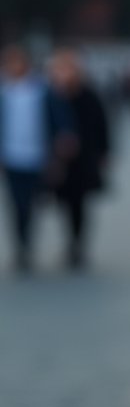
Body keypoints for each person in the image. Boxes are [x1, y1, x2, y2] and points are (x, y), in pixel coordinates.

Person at [47, 50, 111, 269]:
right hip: (60, 160)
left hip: (84, 158)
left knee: (80, 204)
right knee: (63, 204)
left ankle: (78, 245)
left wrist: (104, 152)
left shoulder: (89, 96)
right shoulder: (52, 96)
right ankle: (70, 242)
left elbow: (102, 126)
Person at [0, 45, 57, 274]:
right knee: (16, 205)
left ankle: (28, 243)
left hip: (37, 156)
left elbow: (56, 119)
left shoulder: (41, 90)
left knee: (33, 204)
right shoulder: (4, 91)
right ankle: (21, 246)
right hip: (11, 156)